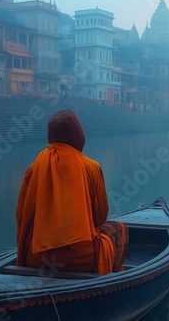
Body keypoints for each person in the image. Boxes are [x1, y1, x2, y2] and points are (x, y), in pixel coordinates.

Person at [15, 109, 129, 274]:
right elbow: (100, 217)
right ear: (78, 135)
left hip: (36, 258)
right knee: (121, 230)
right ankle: (116, 279)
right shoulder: (91, 167)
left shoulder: (33, 168)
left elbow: (21, 217)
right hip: (80, 260)